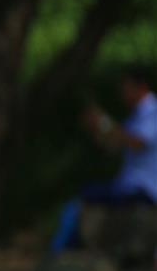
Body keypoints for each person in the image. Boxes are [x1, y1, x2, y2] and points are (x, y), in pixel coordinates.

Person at [51, 65, 157, 252]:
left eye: (126, 88)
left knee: (79, 203)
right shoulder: (136, 116)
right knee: (79, 200)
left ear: (141, 87)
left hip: (144, 189)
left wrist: (104, 123)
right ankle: (64, 252)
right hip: (128, 186)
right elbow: (113, 146)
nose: (123, 93)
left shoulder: (152, 112)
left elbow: (137, 141)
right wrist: (96, 128)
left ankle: (58, 252)